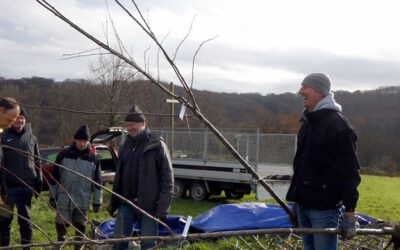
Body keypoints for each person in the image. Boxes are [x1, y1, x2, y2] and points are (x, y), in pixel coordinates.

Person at [286, 73, 361, 250]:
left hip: (323, 208)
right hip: (303, 205)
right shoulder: (308, 124)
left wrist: (349, 212)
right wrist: (296, 201)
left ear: (319, 92)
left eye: (305, 87)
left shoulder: (338, 126)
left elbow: (349, 171)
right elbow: (301, 166)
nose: (300, 91)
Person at [108, 104, 174, 250]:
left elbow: (168, 179)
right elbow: (119, 176)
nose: (130, 128)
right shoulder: (125, 146)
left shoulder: (157, 145)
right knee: (118, 242)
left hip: (149, 206)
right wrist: (114, 202)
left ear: (143, 123)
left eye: (133, 124)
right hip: (126, 202)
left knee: (148, 244)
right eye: (127, 125)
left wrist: (162, 209)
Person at [49, 125, 102, 250]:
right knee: (61, 224)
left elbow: (97, 183)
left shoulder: (93, 159)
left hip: (82, 199)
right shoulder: (63, 155)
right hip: (64, 198)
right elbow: (54, 179)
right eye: (80, 141)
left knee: (80, 226)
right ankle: (59, 244)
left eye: (85, 141)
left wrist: (97, 201)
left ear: (88, 142)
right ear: (75, 140)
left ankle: (78, 248)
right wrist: (52, 197)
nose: (82, 144)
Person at [0, 108, 41, 249]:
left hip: (26, 187)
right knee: (4, 220)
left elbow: (37, 161)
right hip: (7, 189)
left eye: (22, 118)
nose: (20, 120)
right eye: (17, 118)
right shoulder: (3, 137)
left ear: (26, 120)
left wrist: (39, 180)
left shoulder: (32, 138)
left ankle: (26, 247)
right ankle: (4, 247)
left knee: (26, 222)